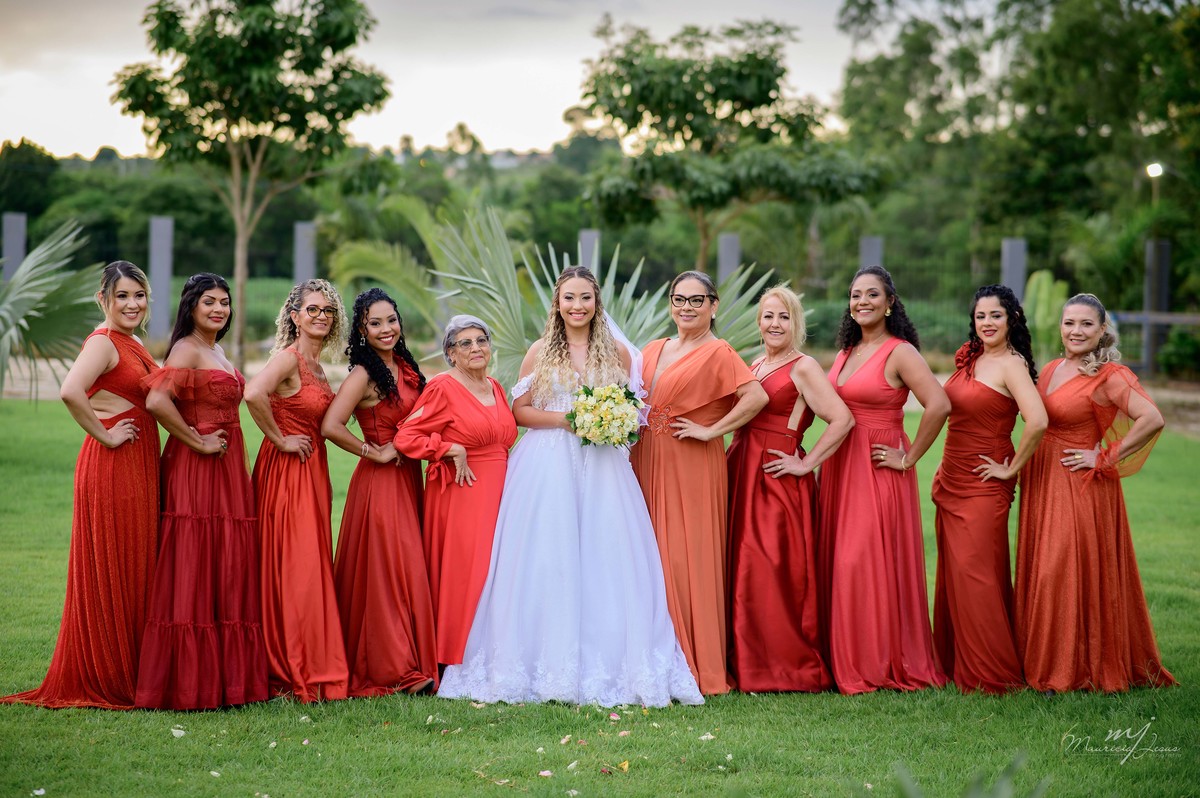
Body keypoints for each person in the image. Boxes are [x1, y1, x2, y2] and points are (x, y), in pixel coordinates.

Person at [438, 267, 703, 706]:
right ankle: (538, 656)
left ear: (597, 302)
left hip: (603, 465)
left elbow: (633, 410)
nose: (577, 306)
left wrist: (610, 422)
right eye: (569, 298)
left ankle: (610, 657)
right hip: (547, 464)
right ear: (557, 304)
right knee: (546, 554)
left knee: (608, 554)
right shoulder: (540, 350)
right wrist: (569, 420)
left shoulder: (617, 352)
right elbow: (520, 411)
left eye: (585, 298)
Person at [2, 262, 160, 710]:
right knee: (118, 560)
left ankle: (134, 666)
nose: (132, 304)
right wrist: (106, 435)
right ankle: (109, 673)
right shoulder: (103, 342)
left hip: (138, 462)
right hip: (114, 463)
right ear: (102, 299)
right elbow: (71, 390)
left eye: (139, 295)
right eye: (122, 295)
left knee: (136, 561)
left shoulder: (132, 342)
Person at [1015, 293, 1174, 692]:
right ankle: (1039, 658)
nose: (1076, 331)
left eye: (1086, 324)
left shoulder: (1110, 375)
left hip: (1078, 483)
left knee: (1059, 571)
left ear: (1103, 329)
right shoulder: (1050, 369)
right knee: (1043, 567)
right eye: (1069, 323)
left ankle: (1068, 668)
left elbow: (1152, 418)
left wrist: (1104, 455)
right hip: (1042, 478)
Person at [629, 270, 768, 696]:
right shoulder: (652, 348)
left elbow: (756, 397)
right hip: (644, 458)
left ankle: (694, 662)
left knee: (684, 557)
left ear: (713, 305)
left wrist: (712, 431)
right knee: (646, 552)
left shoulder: (719, 351)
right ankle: (650, 656)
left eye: (696, 300)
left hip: (690, 462)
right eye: (679, 299)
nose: (686, 308)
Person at [135, 273, 268, 709]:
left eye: (224, 302)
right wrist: (197, 440)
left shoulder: (217, 350)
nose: (218, 309)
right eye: (209, 301)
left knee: (224, 561)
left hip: (227, 469)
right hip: (196, 467)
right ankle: (190, 683)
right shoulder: (187, 349)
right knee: (194, 558)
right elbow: (157, 401)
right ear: (191, 306)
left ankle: (228, 680)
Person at [818, 265, 950, 695]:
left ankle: (874, 660)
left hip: (877, 465)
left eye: (872, 294)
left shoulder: (900, 352)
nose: (862, 302)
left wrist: (909, 457)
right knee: (838, 558)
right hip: (841, 463)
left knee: (860, 561)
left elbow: (939, 404)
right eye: (855, 294)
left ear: (890, 302)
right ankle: (841, 655)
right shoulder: (847, 351)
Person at [726, 285, 853, 693]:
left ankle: (781, 664)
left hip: (775, 476)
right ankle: (743, 658)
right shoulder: (755, 363)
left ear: (795, 323)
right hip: (741, 469)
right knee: (741, 565)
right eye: (768, 316)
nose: (775, 324)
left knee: (769, 568)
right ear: (758, 321)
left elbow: (842, 419)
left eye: (784, 317)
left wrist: (806, 462)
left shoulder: (804, 367)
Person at [322, 288, 437, 696]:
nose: (386, 329)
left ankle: (414, 654)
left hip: (410, 478)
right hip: (381, 483)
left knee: (406, 568)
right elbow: (331, 425)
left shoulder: (404, 366)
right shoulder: (363, 374)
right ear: (362, 330)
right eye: (375, 323)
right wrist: (374, 451)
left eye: (391, 320)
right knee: (389, 571)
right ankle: (395, 667)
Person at [931, 285, 1045, 694]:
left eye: (995, 315)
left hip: (984, 484)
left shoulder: (1011, 364)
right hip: (951, 478)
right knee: (957, 576)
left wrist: (1011, 468)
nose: (987, 323)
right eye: (980, 316)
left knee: (975, 575)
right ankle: (955, 661)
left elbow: (1038, 421)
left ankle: (992, 673)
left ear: (1012, 318)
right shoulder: (973, 357)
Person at [244, 279, 349, 702]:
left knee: (309, 562)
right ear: (295, 317)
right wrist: (280, 438)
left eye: (328, 311)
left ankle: (309, 653)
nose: (321, 316)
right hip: (287, 472)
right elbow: (253, 393)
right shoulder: (288, 359)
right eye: (312, 310)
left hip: (313, 472)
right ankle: (291, 663)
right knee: (296, 566)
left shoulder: (318, 367)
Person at [393, 315, 517, 668]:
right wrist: (449, 448)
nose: (476, 348)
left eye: (481, 341)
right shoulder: (443, 387)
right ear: (450, 353)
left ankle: (490, 650)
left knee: (496, 569)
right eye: (465, 343)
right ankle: (455, 654)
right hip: (463, 490)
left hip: (501, 491)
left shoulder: (495, 386)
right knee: (468, 570)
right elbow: (406, 436)